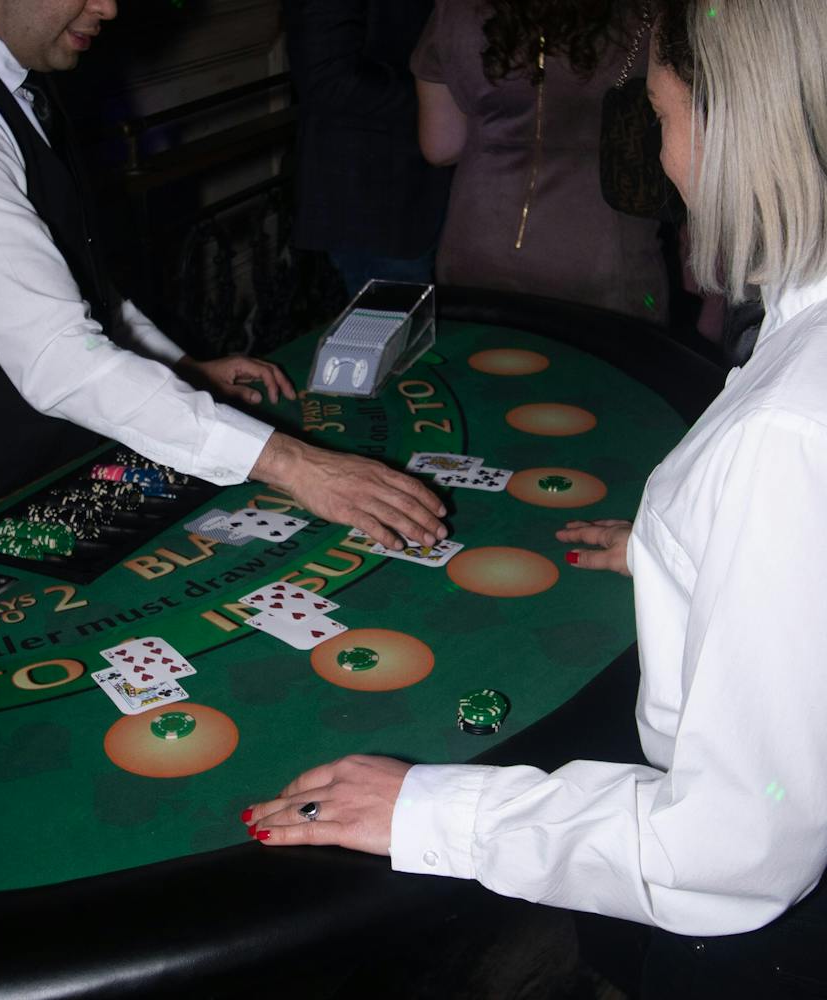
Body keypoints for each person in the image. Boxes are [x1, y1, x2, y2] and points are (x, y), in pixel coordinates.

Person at [244, 1, 827, 994]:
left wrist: (428, 812)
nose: (664, 160)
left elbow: (737, 846)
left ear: (742, 127)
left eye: (664, 116)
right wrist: (680, 552)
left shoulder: (785, 433)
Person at [0, 0, 446, 570]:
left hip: (50, 485)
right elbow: (58, 359)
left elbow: (65, 275)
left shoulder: (5, 72)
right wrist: (294, 464)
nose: (109, 7)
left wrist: (180, 364)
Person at [412, 0, 669, 323]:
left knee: (478, 366)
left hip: (478, 247)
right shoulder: (648, 13)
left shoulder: (457, 10)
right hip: (604, 254)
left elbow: (440, 145)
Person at [282, 0, 452, 298]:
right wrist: (449, 99)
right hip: (376, 202)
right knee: (395, 339)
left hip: (430, 190)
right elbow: (328, 80)